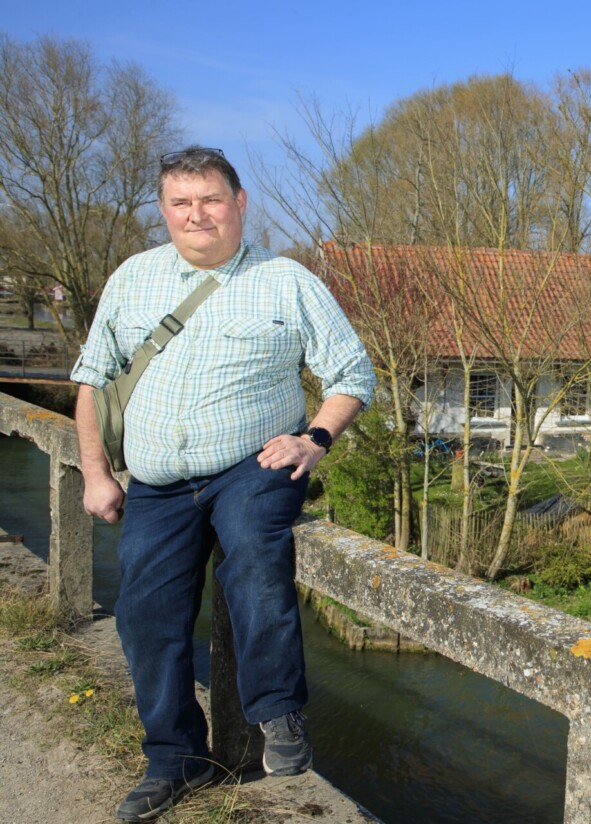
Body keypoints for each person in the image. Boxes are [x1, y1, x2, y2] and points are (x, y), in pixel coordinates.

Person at [71, 146, 375, 822]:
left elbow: (353, 375)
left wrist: (313, 439)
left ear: (240, 204)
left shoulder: (286, 281)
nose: (196, 214)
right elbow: (92, 378)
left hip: (252, 465)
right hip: (156, 480)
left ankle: (278, 714)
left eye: (210, 199)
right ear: (163, 210)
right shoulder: (133, 279)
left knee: (254, 555)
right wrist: (96, 473)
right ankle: (174, 758)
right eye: (181, 203)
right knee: (144, 618)